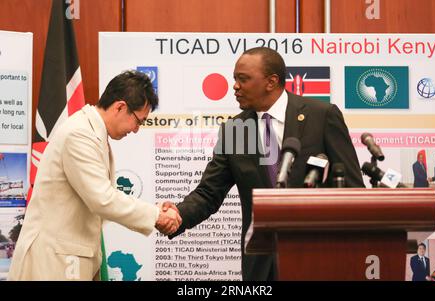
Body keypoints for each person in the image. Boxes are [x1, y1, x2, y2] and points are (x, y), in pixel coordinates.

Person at [160, 47, 365, 281]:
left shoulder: (321, 115)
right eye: (235, 79)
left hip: (318, 255)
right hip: (261, 263)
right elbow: (209, 193)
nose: (235, 86)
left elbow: (352, 186)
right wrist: (177, 215)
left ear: (271, 82)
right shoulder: (235, 130)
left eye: (243, 79)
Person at [8, 71, 181, 281]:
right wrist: (156, 215)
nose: (136, 130)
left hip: (68, 258)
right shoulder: (79, 134)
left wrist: (155, 211)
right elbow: (102, 199)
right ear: (120, 107)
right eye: (138, 121)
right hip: (53, 260)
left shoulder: (92, 132)